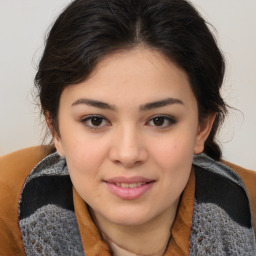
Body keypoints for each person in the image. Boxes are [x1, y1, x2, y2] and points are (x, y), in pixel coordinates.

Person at [0, 0, 255, 255]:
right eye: (96, 120)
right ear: (55, 129)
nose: (128, 154)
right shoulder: (4, 205)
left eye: (159, 120)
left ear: (202, 127)